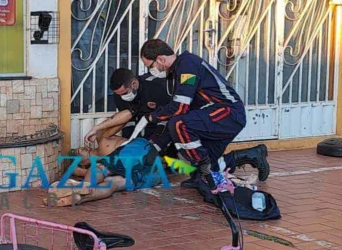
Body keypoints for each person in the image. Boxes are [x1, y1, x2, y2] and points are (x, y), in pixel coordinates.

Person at [86, 39, 269, 193]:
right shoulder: (175, 73)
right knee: (203, 169)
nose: (151, 70)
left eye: (151, 65)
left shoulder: (187, 65)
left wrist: (152, 117)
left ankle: (204, 170)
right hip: (210, 115)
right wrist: (156, 144)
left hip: (226, 112)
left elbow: (180, 107)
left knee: (179, 124)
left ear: (160, 59)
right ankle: (250, 155)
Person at [108, 67, 269, 186]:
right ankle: (249, 155)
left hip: (185, 128)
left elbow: (174, 114)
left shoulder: (165, 83)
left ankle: (248, 155)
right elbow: (130, 124)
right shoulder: (124, 97)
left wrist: (156, 145)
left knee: (197, 164)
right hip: (170, 134)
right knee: (200, 166)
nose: (123, 96)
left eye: (153, 63)